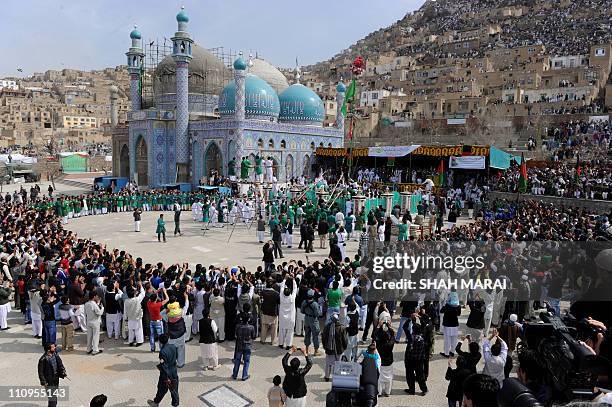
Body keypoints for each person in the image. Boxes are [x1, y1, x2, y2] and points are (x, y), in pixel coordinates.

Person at [147, 334, 179, 407]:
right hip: (174, 371)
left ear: (160, 342)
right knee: (174, 389)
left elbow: (163, 365)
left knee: (161, 389)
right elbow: (176, 357)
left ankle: (155, 403)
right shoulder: (173, 346)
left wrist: (166, 377)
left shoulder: (162, 351)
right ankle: (175, 404)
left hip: (165, 374)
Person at [38, 343, 67, 407]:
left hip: (56, 378)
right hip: (49, 381)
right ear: (48, 350)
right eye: (53, 347)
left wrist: (63, 371)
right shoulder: (43, 359)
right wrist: (44, 382)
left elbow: (60, 364)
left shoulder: (55, 354)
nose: (55, 348)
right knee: (52, 397)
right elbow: (41, 372)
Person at [404, 320, 428, 395]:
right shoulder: (423, 337)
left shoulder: (411, 337)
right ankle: (424, 389)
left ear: (413, 330)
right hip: (419, 360)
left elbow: (405, 327)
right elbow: (424, 326)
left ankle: (412, 389)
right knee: (420, 375)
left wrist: (409, 319)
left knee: (410, 375)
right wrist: (420, 318)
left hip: (410, 359)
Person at [322, 313, 348, 381]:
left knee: (328, 364)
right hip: (339, 350)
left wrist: (325, 346)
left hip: (329, 349)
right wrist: (344, 347)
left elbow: (324, 338)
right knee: (338, 364)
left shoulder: (327, 327)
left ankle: (327, 377)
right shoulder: (342, 328)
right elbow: (344, 339)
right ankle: (336, 377)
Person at [373, 320, 395, 397]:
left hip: (380, 362)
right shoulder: (390, 344)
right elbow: (393, 336)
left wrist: (379, 327)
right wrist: (389, 327)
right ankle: (387, 392)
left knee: (379, 378)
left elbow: (374, 335)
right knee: (389, 377)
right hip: (389, 362)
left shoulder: (378, 344)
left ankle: (379, 392)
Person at [232, 314, 255, 381]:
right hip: (247, 346)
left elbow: (236, 334)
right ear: (248, 319)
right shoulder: (251, 327)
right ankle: (244, 375)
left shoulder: (238, 326)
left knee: (237, 361)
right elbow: (253, 336)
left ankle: (234, 375)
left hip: (239, 345)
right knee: (247, 361)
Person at [440, 292, 461, 357]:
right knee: (454, 339)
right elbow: (458, 314)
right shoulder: (458, 306)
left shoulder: (447, 305)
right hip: (455, 325)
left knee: (447, 340)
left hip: (447, 325)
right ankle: (452, 352)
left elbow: (441, 311)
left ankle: (446, 353)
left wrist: (445, 303)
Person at [301, 289, 321, 356]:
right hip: (313, 321)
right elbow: (317, 314)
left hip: (307, 319)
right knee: (315, 335)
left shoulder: (304, 302)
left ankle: (306, 349)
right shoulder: (315, 304)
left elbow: (302, 311)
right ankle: (316, 351)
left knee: (307, 334)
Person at [148, 287, 169, 352]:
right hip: (158, 322)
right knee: (160, 335)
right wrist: (165, 292)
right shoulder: (158, 305)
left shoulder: (148, 303)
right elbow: (167, 299)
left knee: (152, 335)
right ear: (156, 299)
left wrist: (156, 292)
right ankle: (161, 348)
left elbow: (151, 298)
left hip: (151, 321)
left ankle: (152, 348)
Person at [279, 278, 297, 350]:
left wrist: (284, 280)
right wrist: (293, 280)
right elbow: (295, 289)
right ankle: (288, 345)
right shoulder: (292, 298)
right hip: (291, 318)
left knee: (282, 330)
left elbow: (281, 287)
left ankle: (281, 344)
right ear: (290, 293)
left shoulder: (281, 297)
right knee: (290, 331)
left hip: (282, 317)